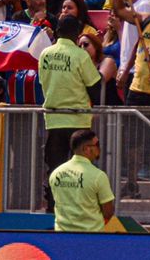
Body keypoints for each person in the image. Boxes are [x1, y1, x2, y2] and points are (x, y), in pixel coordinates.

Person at [39, 13, 102, 208]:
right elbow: (95, 86)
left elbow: (43, 82)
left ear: (57, 31)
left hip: (54, 120)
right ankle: (81, 207)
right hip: (79, 122)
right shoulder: (80, 55)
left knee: (55, 169)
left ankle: (53, 208)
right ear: (77, 34)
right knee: (81, 169)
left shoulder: (45, 54)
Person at [48, 129, 115, 233]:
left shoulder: (56, 174)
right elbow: (108, 212)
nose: (99, 148)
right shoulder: (98, 176)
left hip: (62, 236)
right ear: (86, 149)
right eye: (97, 144)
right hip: (92, 237)